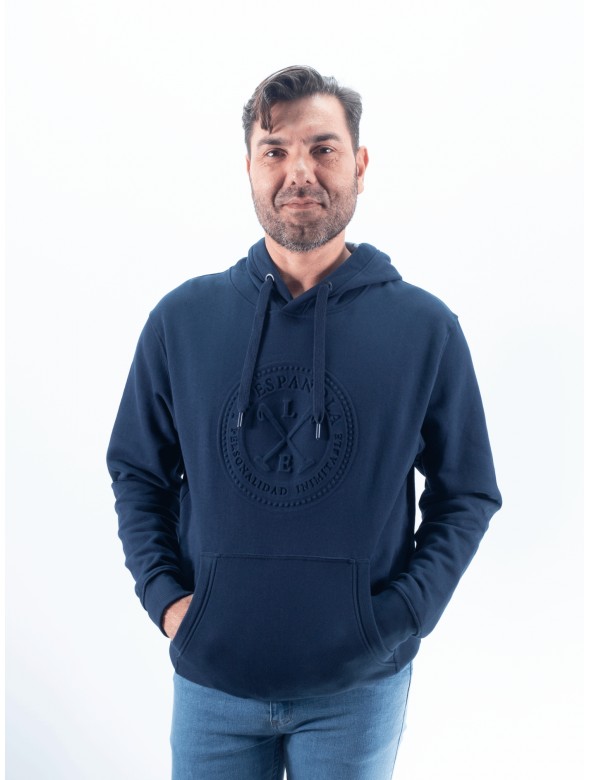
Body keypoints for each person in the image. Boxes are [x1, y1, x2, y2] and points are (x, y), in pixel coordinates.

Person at [107, 65, 502, 780]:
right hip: (213, 682)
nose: (300, 172)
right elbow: (138, 471)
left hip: (359, 688)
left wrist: (398, 619)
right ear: (249, 168)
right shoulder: (182, 322)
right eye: (275, 150)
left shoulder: (424, 329)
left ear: (360, 164)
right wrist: (169, 602)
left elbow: (467, 491)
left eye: (323, 148)